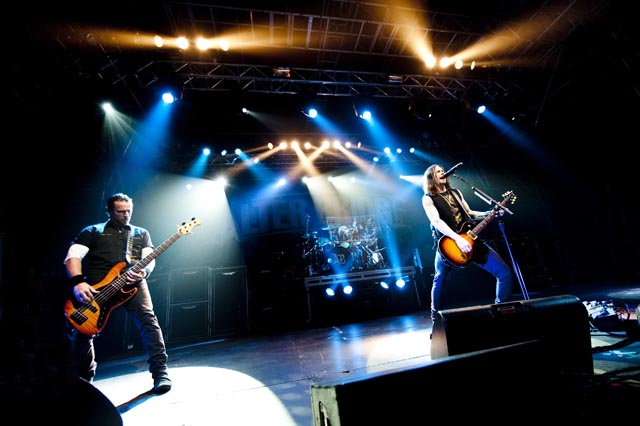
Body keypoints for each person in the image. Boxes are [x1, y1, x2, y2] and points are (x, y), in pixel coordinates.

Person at [63, 192, 172, 394]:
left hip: (132, 284)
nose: (126, 215)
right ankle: (85, 383)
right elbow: (73, 256)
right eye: (121, 211)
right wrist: (78, 282)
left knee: (148, 321)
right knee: (83, 333)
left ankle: (161, 374)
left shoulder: (140, 233)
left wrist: (144, 272)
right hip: (97, 288)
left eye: (129, 211)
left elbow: (149, 257)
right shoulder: (93, 231)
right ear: (109, 211)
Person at [421, 164, 513, 326]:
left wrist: (490, 213)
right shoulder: (428, 198)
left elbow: (470, 213)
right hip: (448, 244)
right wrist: (457, 238)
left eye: (443, 170)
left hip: (471, 239)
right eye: (438, 172)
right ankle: (436, 321)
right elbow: (436, 221)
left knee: (504, 273)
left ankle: (500, 311)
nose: (443, 172)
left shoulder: (456, 193)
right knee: (439, 279)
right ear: (431, 177)